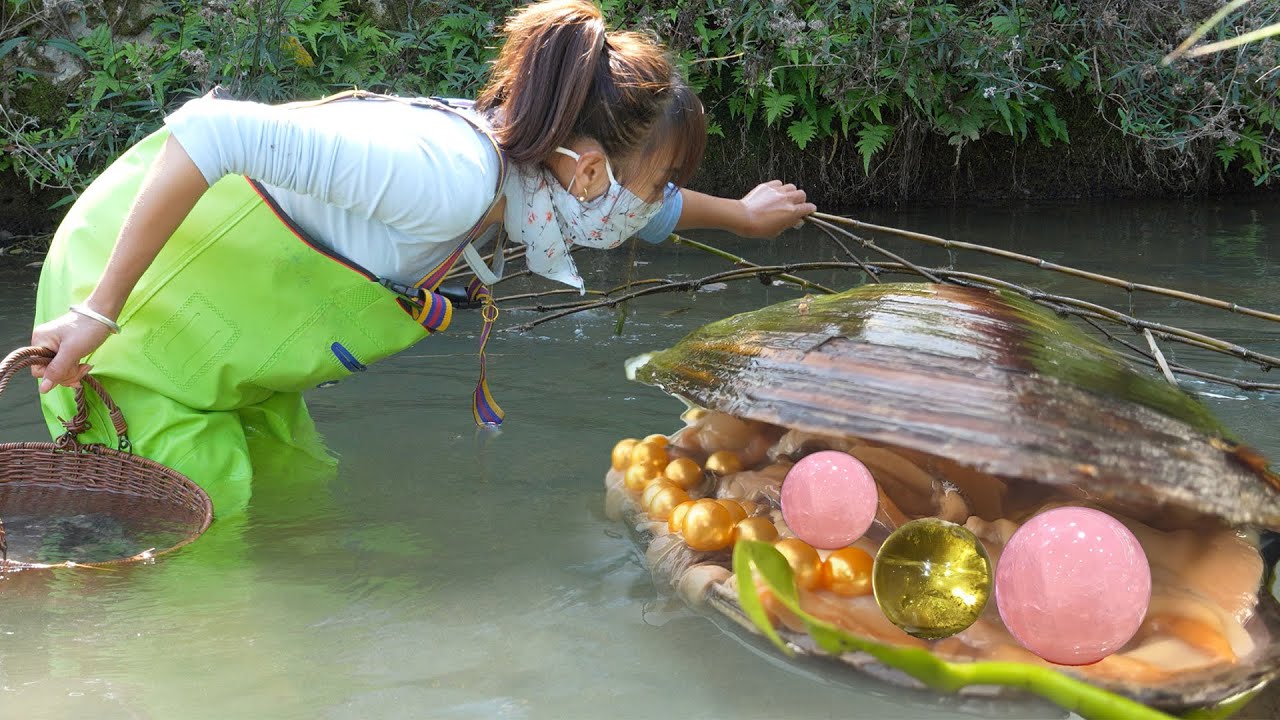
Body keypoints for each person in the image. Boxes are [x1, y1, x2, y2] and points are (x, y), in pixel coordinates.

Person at [28, 0, 815, 514]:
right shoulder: (442, 177)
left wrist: (744, 217)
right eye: (656, 183)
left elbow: (647, 213)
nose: (658, 203)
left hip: (230, 352)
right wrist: (96, 314)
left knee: (303, 500)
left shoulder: (526, 177)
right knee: (212, 549)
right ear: (588, 173)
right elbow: (209, 135)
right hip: (131, 333)